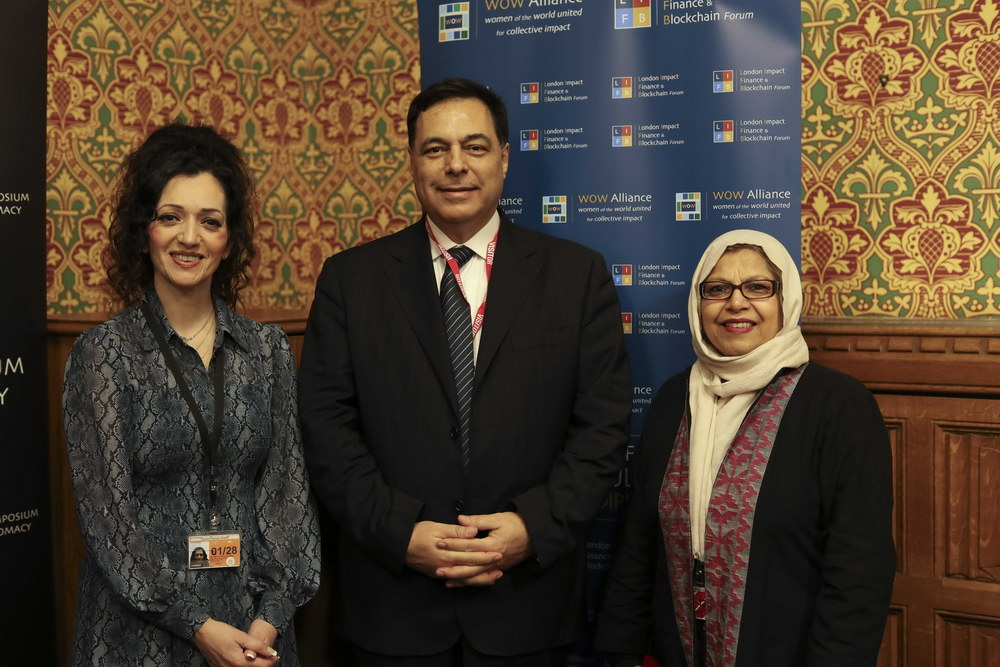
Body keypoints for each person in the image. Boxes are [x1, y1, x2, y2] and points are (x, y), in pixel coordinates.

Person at [298, 77, 631, 664]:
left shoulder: (576, 277)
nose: (456, 165)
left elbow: (601, 429)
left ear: (504, 158)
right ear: (412, 161)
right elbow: (327, 430)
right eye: (436, 149)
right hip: (392, 609)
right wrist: (401, 533)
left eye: (474, 147)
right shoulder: (350, 281)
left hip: (525, 605)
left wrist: (531, 528)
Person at [63, 122, 321, 666]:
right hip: (143, 633)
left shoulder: (267, 350)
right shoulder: (104, 355)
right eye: (170, 217)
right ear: (144, 231)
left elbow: (288, 500)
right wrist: (198, 626)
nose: (189, 237)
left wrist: (268, 621)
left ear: (229, 241)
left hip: (253, 626)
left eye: (210, 221)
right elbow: (108, 521)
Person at [595, 229, 895, 666]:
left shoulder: (838, 405)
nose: (736, 302)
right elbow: (638, 544)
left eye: (758, 287)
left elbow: (859, 569)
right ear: (698, 304)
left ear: (785, 300)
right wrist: (624, 652)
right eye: (717, 289)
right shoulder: (673, 399)